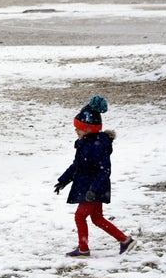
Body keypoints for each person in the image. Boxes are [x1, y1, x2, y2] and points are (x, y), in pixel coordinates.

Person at [54, 96, 136, 257]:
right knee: (97, 218)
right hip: (90, 187)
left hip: (92, 188)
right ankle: (125, 241)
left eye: (78, 128)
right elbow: (76, 166)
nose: (76, 131)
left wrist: (93, 190)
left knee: (80, 216)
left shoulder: (96, 146)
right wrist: (63, 181)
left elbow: (103, 171)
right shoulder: (85, 144)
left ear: (88, 128)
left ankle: (83, 248)